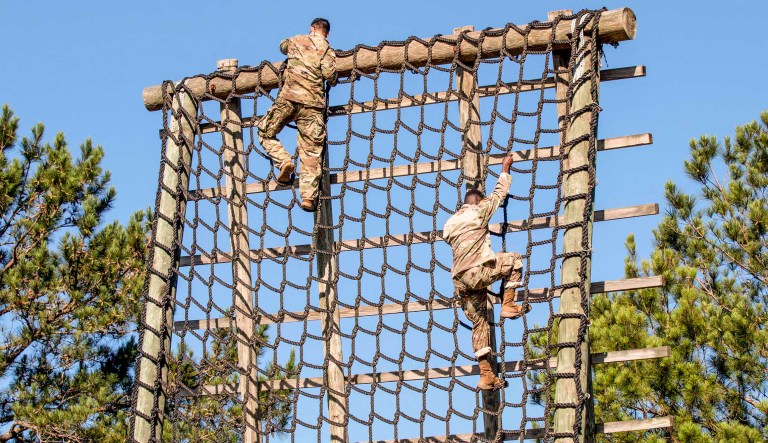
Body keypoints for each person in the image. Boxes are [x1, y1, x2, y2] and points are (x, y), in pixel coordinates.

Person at [443, 154, 530, 391]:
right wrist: (505, 168)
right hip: (476, 271)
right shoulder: (479, 212)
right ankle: (509, 304)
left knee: (479, 322)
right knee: (514, 260)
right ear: (477, 202)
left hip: (460, 281)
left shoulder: (450, 223)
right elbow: (499, 194)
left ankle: (486, 375)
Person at [257, 18, 337, 212]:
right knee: (310, 152)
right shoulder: (327, 50)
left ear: (312, 29)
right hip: (312, 105)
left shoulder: (297, 40)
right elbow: (331, 77)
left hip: (288, 98)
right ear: (327, 33)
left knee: (265, 132)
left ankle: (284, 161)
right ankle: (308, 198)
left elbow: (282, 46)